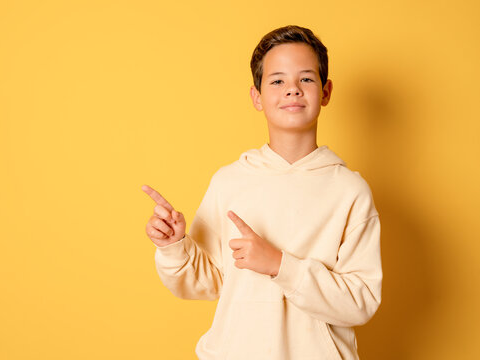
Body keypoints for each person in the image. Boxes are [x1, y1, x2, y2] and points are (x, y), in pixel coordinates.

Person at [142, 25, 382, 360]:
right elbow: (205, 282)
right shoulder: (229, 181)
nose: (292, 90)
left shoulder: (349, 191)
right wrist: (174, 247)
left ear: (325, 92)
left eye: (306, 79)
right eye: (278, 80)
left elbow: (361, 301)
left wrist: (280, 265)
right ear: (257, 97)